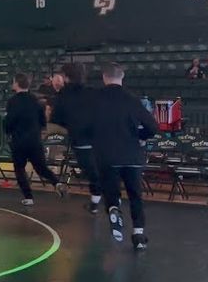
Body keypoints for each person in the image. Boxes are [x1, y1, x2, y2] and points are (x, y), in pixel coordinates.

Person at [91, 63, 159, 250]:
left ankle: (113, 208)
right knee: (135, 195)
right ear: (122, 78)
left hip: (107, 154)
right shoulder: (132, 100)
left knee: (111, 191)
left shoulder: (95, 99)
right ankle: (138, 234)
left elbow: (86, 126)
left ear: (104, 77)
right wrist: (141, 136)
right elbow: (153, 126)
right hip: (131, 155)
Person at [3, 73, 66, 207]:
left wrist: (7, 130)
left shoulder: (12, 101)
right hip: (35, 139)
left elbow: (9, 121)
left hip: (19, 140)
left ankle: (28, 197)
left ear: (16, 84)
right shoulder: (35, 100)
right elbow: (43, 120)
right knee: (41, 167)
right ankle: (57, 182)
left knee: (19, 169)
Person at [51, 62, 101, 213]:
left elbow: (56, 118)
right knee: (97, 171)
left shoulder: (63, 95)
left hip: (80, 139)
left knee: (92, 173)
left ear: (65, 77)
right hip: (98, 138)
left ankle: (99, 203)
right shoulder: (92, 91)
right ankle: (99, 202)